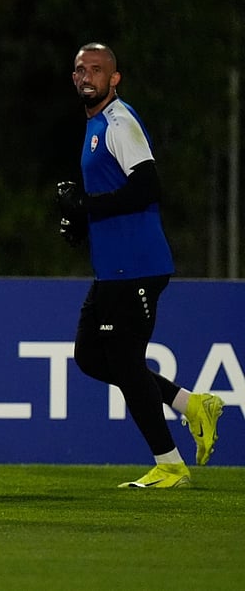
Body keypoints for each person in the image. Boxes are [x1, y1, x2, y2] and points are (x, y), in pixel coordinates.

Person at [57, 43, 224, 487]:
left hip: (136, 264)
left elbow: (146, 186)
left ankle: (169, 464)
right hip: (114, 266)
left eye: (97, 69)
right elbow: (115, 196)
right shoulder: (96, 124)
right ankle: (191, 405)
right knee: (91, 357)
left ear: (115, 79)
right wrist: (82, 222)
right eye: (80, 69)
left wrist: (87, 207)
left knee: (126, 363)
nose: (86, 76)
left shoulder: (119, 121)